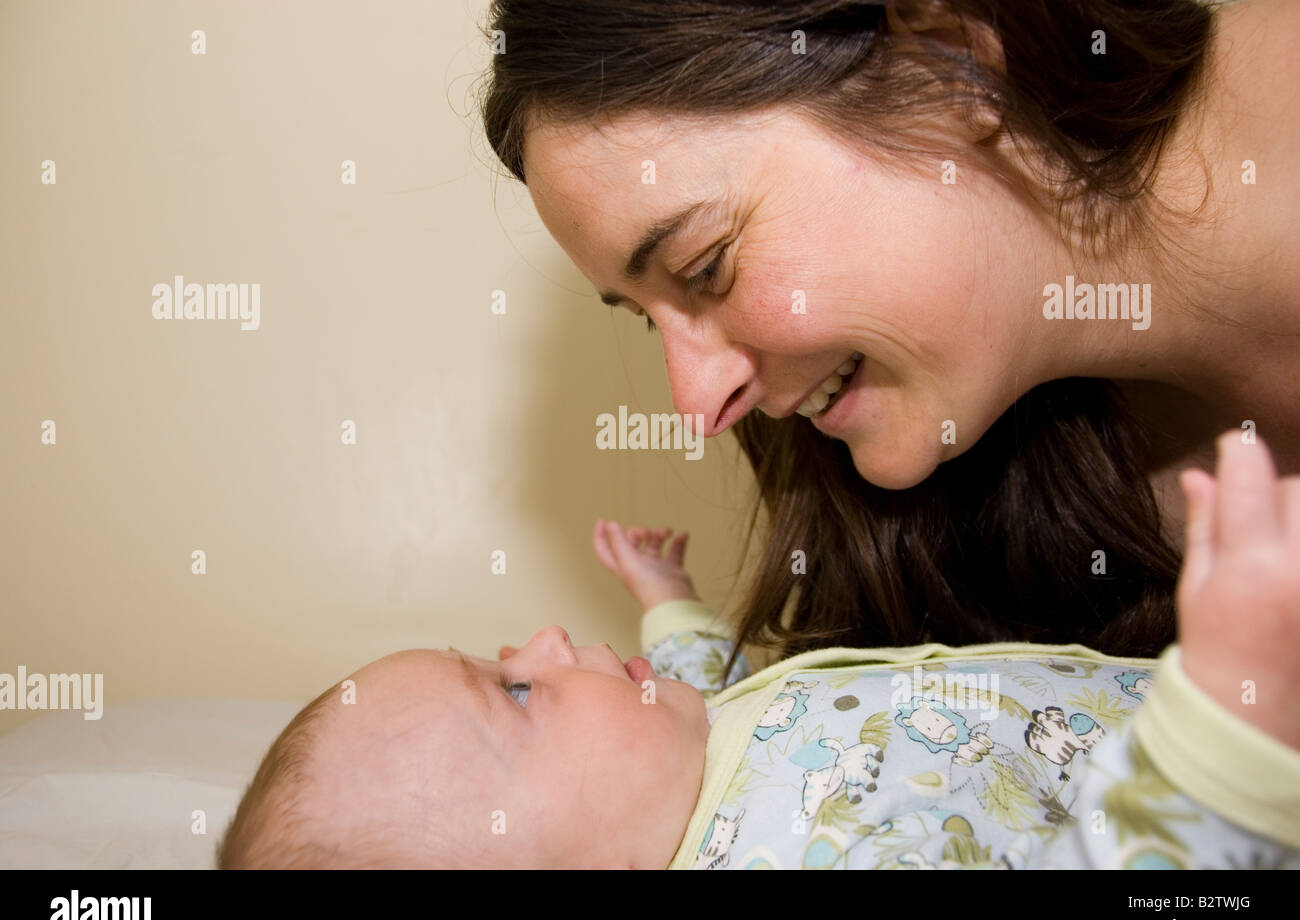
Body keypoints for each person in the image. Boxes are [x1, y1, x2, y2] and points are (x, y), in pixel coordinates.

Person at [479, 0, 1300, 666]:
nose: (698, 407)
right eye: (647, 319)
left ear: (950, 60)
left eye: (707, 268)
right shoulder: (992, 504)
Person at [215, 434, 1299, 869]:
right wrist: (1224, 740)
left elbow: (698, 688)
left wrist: (668, 602)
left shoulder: (676, 762)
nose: (539, 639)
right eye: (512, 691)